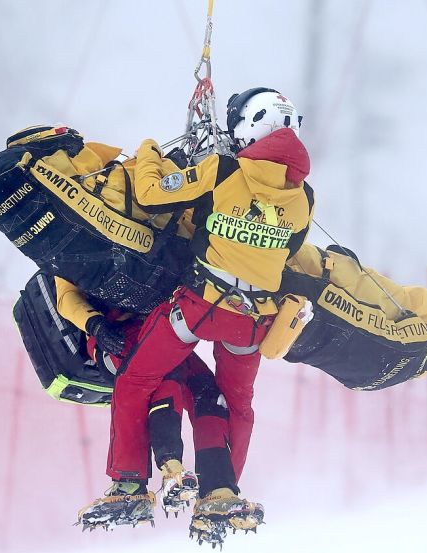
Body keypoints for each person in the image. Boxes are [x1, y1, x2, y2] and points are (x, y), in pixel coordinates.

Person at [92, 88, 315, 534]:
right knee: (236, 403)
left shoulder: (223, 170)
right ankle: (221, 493)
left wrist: (150, 151)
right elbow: (289, 250)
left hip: (200, 308)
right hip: (254, 322)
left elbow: (152, 193)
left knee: (135, 379)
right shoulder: (304, 195)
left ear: (249, 127)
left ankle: (129, 485)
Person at [56, 278, 260, 545]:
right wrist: (95, 324)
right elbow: (65, 296)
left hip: (161, 332)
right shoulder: (72, 252)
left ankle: (217, 489)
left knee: (208, 395)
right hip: (117, 336)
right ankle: (133, 483)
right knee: (165, 377)